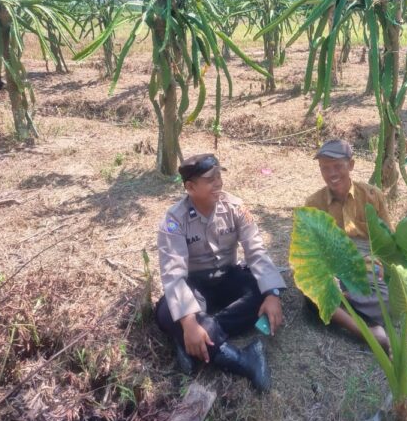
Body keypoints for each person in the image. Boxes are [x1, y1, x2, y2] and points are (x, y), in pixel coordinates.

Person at [155, 153, 286, 392]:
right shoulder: (174, 220)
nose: (218, 183)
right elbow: (173, 274)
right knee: (166, 311)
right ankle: (246, 360)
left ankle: (194, 341)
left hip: (228, 278)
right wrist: (188, 321)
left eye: (219, 176)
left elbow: (256, 251)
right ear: (190, 188)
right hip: (195, 288)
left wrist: (273, 293)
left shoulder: (235, 207)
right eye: (210, 179)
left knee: (262, 291)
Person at [304, 139, 391, 351]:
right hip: (332, 262)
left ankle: (338, 308)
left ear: (351, 165)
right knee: (311, 288)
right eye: (325, 168)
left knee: (387, 301)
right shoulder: (313, 203)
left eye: (337, 167)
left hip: (367, 264)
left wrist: (377, 263)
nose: (331, 173)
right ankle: (364, 331)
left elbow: (388, 242)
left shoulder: (372, 196)